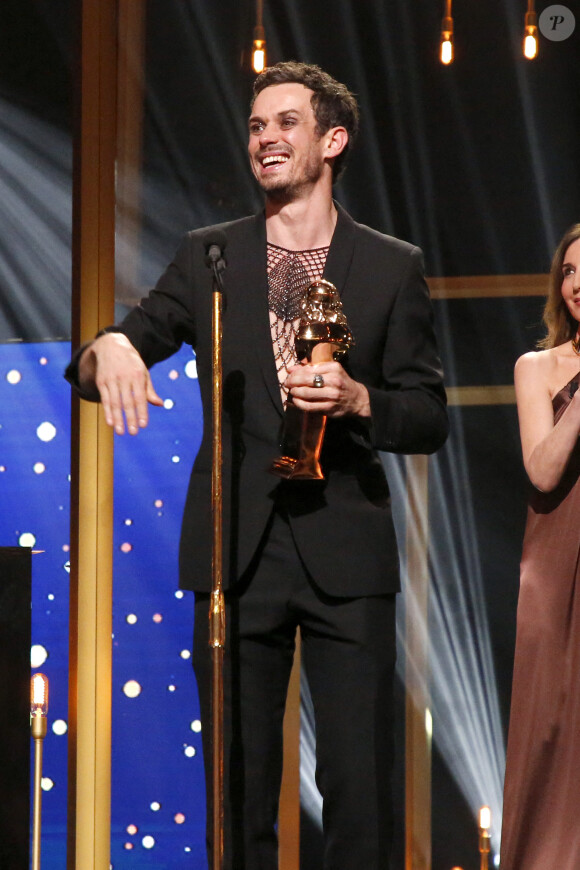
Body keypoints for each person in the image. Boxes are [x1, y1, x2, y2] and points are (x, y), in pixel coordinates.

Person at [67, 61, 448, 869]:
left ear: (332, 140)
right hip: (236, 549)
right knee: (236, 786)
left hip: (347, 548)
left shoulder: (390, 266)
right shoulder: (211, 257)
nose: (265, 139)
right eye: (255, 126)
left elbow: (427, 415)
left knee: (360, 783)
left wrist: (358, 400)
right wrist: (109, 350)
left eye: (285, 123)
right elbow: (123, 344)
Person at [500, 223, 580, 870]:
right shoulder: (538, 367)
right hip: (558, 564)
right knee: (552, 728)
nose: (577, 285)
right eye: (570, 271)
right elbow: (544, 472)